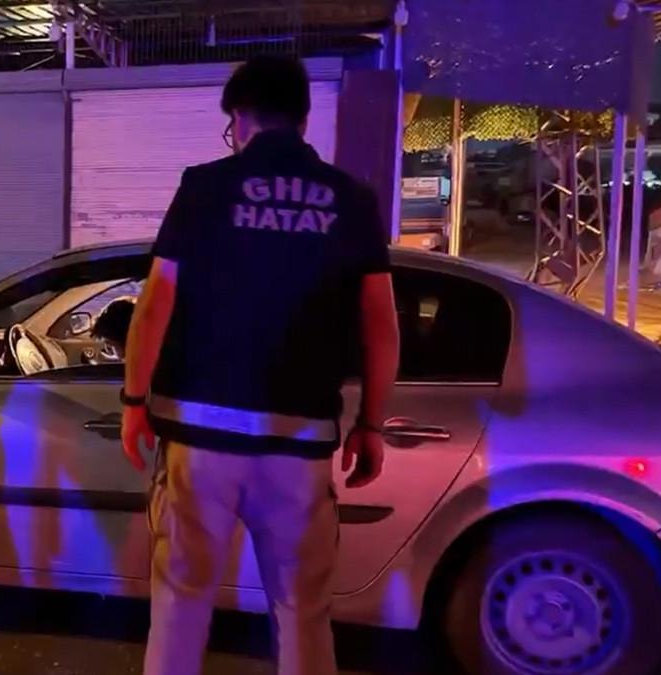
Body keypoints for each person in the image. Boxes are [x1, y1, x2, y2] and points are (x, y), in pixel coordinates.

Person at [120, 55, 400, 675]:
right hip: (298, 443)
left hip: (199, 439)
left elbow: (155, 303)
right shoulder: (352, 200)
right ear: (303, 119)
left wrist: (134, 402)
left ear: (240, 118)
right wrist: (371, 424)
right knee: (302, 612)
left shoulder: (204, 187)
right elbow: (381, 324)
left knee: (181, 603)